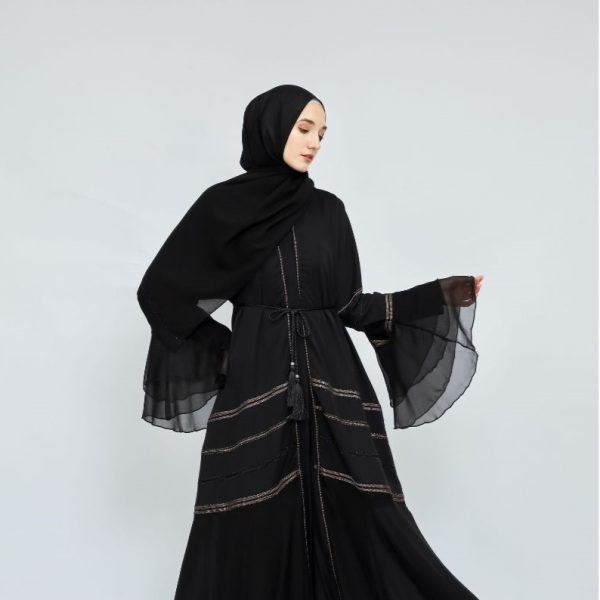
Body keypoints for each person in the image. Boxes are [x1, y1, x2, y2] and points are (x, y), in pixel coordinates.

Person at [137, 84, 484, 600]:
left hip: (332, 380)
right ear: (271, 128)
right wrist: (229, 351)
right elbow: (163, 293)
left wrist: (436, 296)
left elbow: (351, 306)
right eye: (304, 129)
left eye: (322, 133)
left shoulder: (328, 211)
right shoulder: (223, 208)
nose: (315, 143)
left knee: (367, 514)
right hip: (257, 382)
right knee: (245, 521)